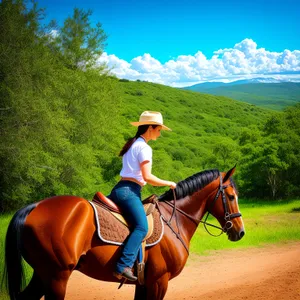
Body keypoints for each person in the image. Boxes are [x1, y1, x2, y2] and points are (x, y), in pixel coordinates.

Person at [109, 111, 177, 281]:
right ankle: (123, 265)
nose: (160, 133)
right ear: (150, 128)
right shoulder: (144, 148)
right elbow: (147, 177)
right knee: (141, 227)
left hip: (118, 189)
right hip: (129, 192)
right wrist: (169, 183)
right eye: (159, 129)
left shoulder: (132, 144)